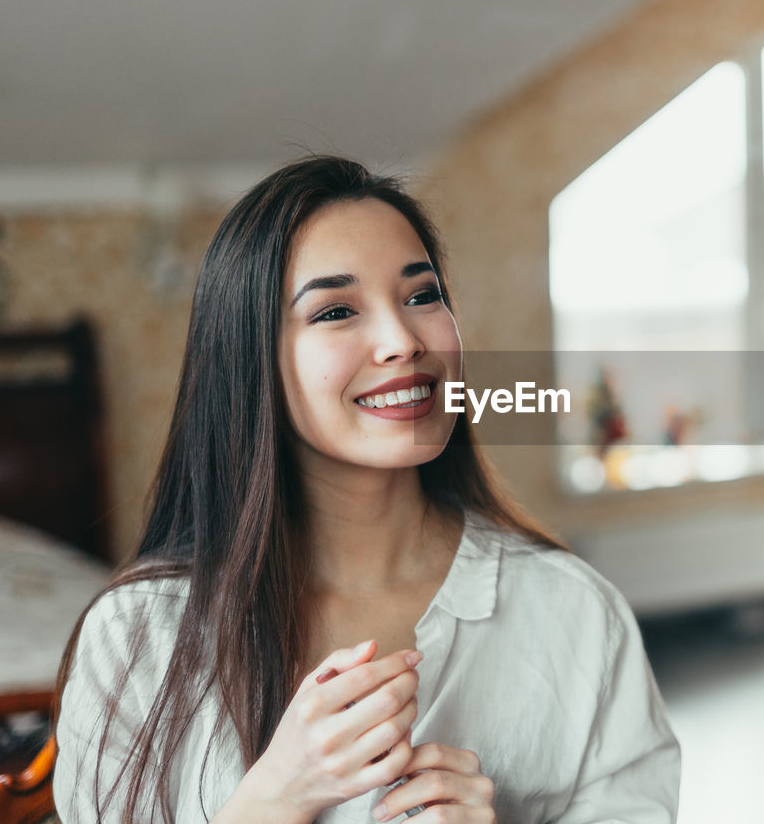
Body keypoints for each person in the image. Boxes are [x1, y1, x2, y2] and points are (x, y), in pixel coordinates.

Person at [52, 155, 681, 823]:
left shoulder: (575, 614)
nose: (401, 341)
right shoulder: (138, 636)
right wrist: (274, 800)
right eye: (337, 310)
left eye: (421, 295)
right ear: (251, 358)